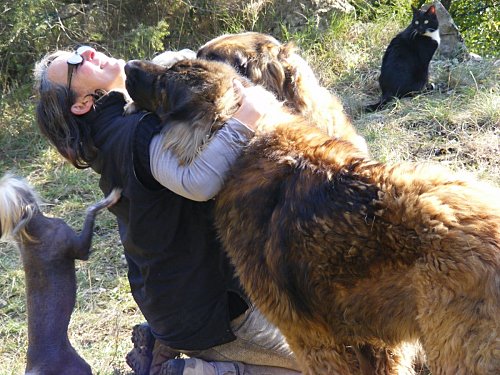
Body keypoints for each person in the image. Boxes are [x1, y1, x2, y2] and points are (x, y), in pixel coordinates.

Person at [33, 45, 301, 375]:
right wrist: (249, 116)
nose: (87, 54)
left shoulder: (112, 131)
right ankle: (204, 371)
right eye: (76, 63)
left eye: (80, 50)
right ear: (83, 103)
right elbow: (199, 182)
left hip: (174, 306)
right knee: (331, 359)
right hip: (217, 314)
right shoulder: (134, 133)